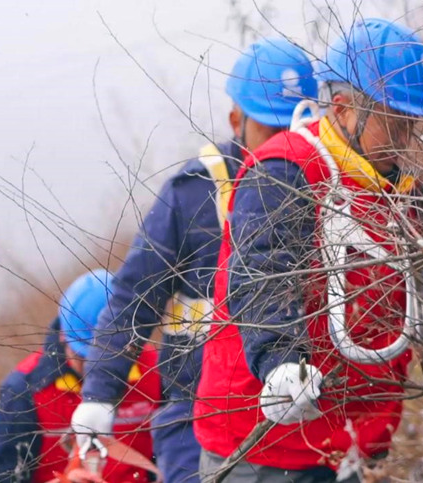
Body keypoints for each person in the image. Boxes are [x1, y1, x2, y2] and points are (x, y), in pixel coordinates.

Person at [194, 18, 423, 482]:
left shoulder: (389, 186)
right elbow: (259, 274)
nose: (406, 138)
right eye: (394, 123)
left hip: (348, 444)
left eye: (410, 123)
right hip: (265, 446)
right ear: (345, 109)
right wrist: (279, 359)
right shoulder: (285, 172)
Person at [70, 38, 318, 483]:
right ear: (236, 120)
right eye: (268, 129)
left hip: (303, 404)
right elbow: (135, 295)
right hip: (196, 412)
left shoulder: (327, 184)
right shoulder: (190, 195)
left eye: (291, 129)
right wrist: (99, 393)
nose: (282, 144)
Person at [0, 270, 160, 483]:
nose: (96, 370)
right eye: (85, 358)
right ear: (64, 336)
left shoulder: (156, 369)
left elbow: (180, 452)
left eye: (108, 361)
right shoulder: (24, 391)